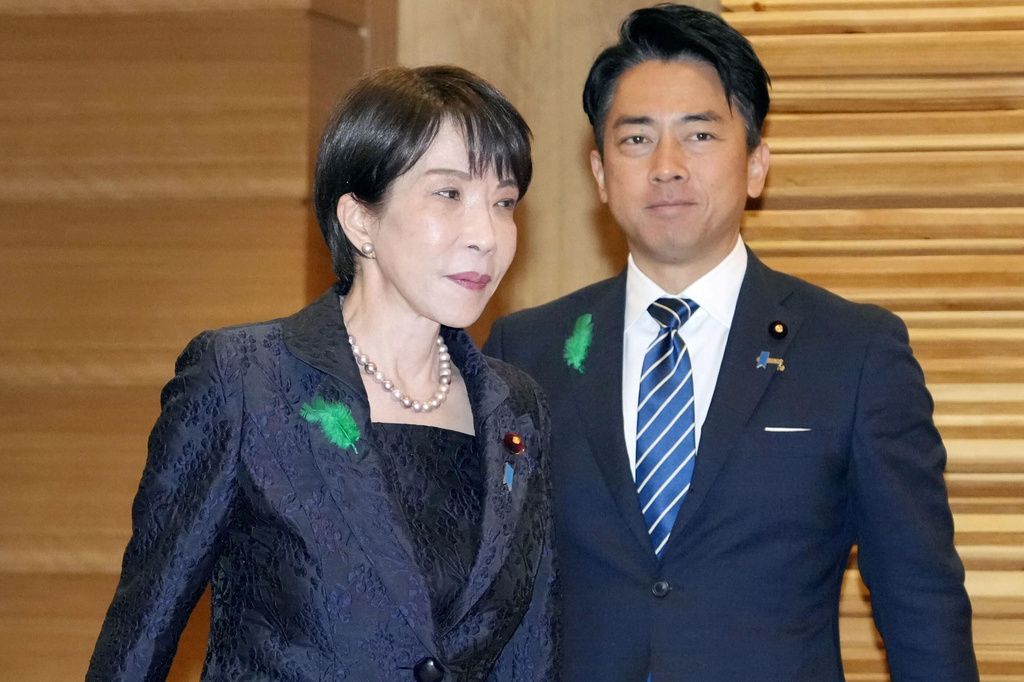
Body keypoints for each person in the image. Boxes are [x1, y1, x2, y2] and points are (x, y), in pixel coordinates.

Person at [484, 4, 977, 681]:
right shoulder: (527, 349)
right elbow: (490, 594)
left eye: (699, 135)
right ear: (600, 175)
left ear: (756, 166)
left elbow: (921, 607)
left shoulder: (854, 354)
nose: (666, 166)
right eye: (636, 140)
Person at [88, 65, 556, 682]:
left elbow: (529, 653)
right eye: (449, 194)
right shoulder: (246, 380)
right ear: (360, 219)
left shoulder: (514, 406)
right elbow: (141, 636)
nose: (486, 236)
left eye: (503, 203)